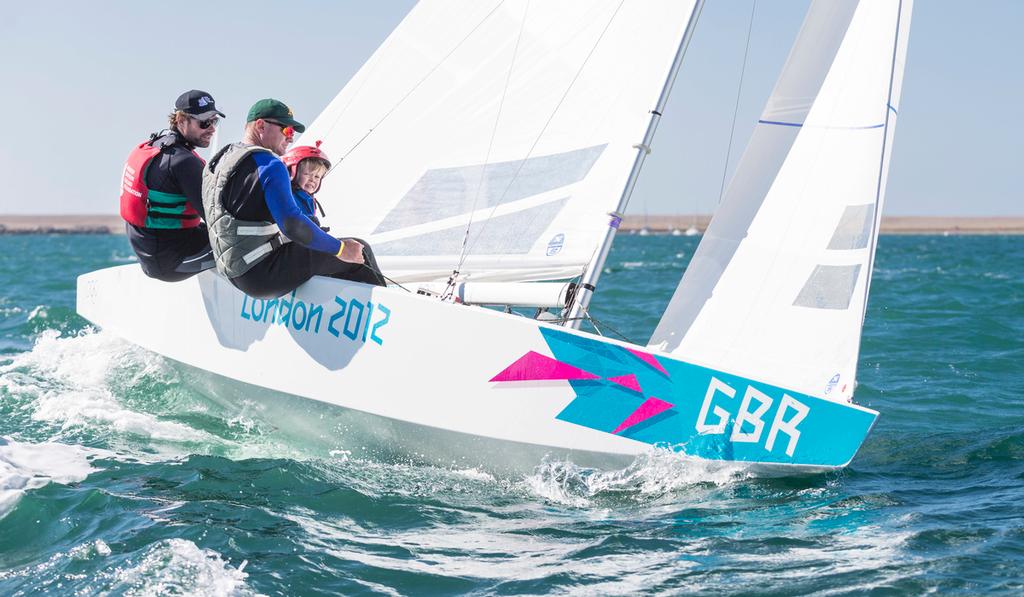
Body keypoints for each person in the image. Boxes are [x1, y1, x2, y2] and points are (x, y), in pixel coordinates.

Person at [202, 99, 385, 299]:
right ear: (261, 125)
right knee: (360, 249)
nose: (291, 138)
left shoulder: (219, 160)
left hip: (231, 271)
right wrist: (341, 249)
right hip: (262, 276)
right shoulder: (270, 164)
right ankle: (387, 320)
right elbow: (292, 225)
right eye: (287, 130)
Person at [120, 90, 225, 282]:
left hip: (151, 252)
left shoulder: (154, 146)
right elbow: (218, 220)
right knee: (249, 246)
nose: (212, 128)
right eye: (204, 122)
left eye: (214, 121)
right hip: (171, 263)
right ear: (181, 120)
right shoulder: (183, 162)